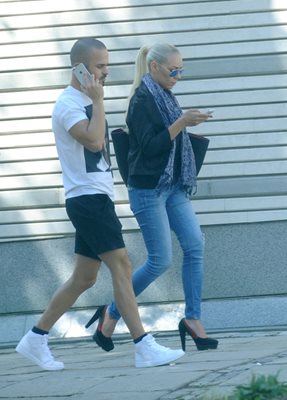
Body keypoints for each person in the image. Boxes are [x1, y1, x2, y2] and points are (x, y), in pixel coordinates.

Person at [15, 38, 185, 371]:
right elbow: (93, 142)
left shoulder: (85, 100)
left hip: (95, 198)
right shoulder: (68, 104)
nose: (105, 72)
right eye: (99, 66)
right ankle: (143, 346)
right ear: (78, 68)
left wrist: (95, 101)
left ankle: (35, 338)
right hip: (87, 200)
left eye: (106, 65)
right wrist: (98, 101)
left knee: (84, 279)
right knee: (121, 264)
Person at [86, 43, 218, 353]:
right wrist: (182, 123)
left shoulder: (167, 97)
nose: (178, 76)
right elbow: (150, 148)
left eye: (181, 70)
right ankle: (112, 311)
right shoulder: (142, 100)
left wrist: (185, 122)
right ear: (154, 67)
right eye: (173, 71)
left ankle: (193, 320)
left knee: (195, 245)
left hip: (173, 187)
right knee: (160, 260)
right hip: (148, 190)